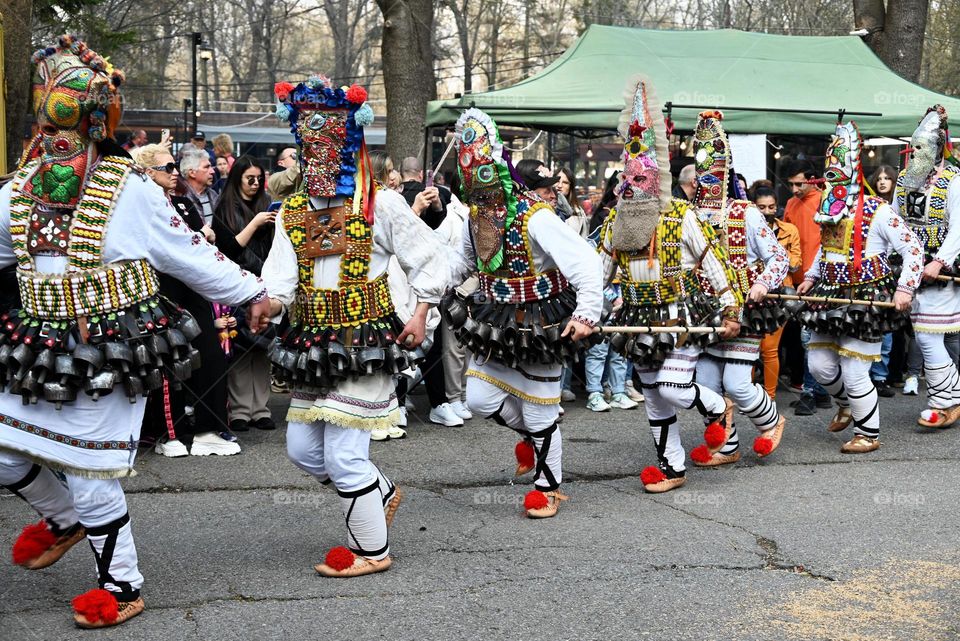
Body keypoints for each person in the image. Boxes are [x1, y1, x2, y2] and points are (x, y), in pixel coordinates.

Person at [0, 36, 271, 628]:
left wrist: (252, 293)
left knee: (93, 470)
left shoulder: (130, 190)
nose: (54, 145)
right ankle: (64, 519)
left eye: (64, 129)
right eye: (47, 128)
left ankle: (121, 583)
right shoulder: (17, 194)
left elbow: (188, 254)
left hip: (111, 345)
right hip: (40, 345)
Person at [262, 75, 446, 577]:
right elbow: (279, 277)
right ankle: (379, 491)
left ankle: (371, 551)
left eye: (328, 144)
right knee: (303, 451)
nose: (318, 155)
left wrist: (421, 310)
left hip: (365, 340)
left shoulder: (380, 204)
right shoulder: (292, 211)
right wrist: (269, 303)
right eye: (308, 143)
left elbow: (431, 259)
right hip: (311, 342)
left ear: (348, 143)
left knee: (345, 458)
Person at [446, 107, 602, 518]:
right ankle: (537, 436)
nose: (481, 193)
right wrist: (427, 294)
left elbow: (584, 261)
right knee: (479, 399)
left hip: (541, 319)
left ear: (499, 173)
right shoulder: (475, 220)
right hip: (495, 319)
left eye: (485, 178)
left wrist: (586, 313)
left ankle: (547, 486)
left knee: (539, 407)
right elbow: (460, 262)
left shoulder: (537, 215)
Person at [599, 76, 739, 493]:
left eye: (642, 179)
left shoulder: (681, 215)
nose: (634, 186)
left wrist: (731, 308)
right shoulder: (615, 221)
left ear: (655, 178)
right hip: (637, 319)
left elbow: (714, 261)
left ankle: (719, 407)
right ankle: (672, 467)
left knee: (674, 387)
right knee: (654, 397)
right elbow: (598, 272)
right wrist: (587, 311)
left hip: (681, 314)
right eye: (629, 179)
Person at [797, 121, 921, 453]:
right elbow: (826, 249)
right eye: (830, 168)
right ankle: (847, 404)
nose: (833, 174)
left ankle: (868, 433)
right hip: (828, 295)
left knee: (854, 370)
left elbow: (913, 248)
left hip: (866, 298)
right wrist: (810, 276)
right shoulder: (828, 208)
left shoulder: (878, 211)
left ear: (854, 169)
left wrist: (905, 288)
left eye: (840, 167)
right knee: (819, 366)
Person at [688, 111, 790, 467]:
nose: (707, 177)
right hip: (705, 311)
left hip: (744, 310)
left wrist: (762, 283)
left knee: (738, 382)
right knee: (705, 383)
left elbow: (779, 257)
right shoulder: (690, 215)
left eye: (714, 167)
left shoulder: (745, 212)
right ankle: (727, 446)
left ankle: (772, 422)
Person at [132, 144, 240, 458]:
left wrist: (204, 239)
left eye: (174, 165)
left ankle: (209, 429)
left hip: (193, 288)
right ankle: (170, 433)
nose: (174, 172)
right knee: (169, 362)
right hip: (158, 293)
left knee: (211, 354)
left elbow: (202, 245)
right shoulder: (138, 210)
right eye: (167, 167)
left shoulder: (181, 204)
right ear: (148, 172)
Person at [893, 105, 960, 428]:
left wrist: (941, 261)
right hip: (910, 268)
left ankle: (944, 401)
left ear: (937, 148)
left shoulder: (954, 181)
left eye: (921, 147)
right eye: (912, 145)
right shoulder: (904, 180)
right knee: (926, 336)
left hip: (941, 272)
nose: (913, 152)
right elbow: (895, 221)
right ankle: (950, 397)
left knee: (927, 335)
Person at [213, 158, 276, 433]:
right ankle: (239, 411)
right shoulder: (224, 207)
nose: (255, 184)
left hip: (266, 281)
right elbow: (227, 248)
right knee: (239, 348)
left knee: (262, 348)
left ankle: (261, 409)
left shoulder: (266, 202)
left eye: (259, 178)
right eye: (249, 178)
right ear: (237, 178)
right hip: (236, 283)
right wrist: (255, 224)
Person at [782, 158, 830, 415]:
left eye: (799, 184)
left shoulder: (827, 200)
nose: (794, 189)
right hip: (798, 279)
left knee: (809, 336)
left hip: (820, 278)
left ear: (813, 180)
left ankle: (811, 393)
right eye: (791, 184)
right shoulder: (791, 203)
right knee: (810, 335)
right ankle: (821, 393)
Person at [754, 186, 802, 399]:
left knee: (770, 348)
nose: (767, 211)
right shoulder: (747, 229)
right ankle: (751, 395)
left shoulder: (789, 230)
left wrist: (775, 253)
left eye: (771, 207)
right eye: (761, 207)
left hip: (780, 292)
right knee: (752, 348)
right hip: (754, 290)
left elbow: (796, 264)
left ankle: (769, 396)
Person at [177, 148, 218, 225]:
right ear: (192, 173)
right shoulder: (179, 197)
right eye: (206, 167)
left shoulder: (214, 195)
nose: (212, 171)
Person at [559, 167, 590, 238]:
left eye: (565, 183)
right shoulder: (544, 208)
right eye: (557, 181)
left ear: (571, 187)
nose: (559, 186)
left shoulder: (579, 212)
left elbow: (584, 239)